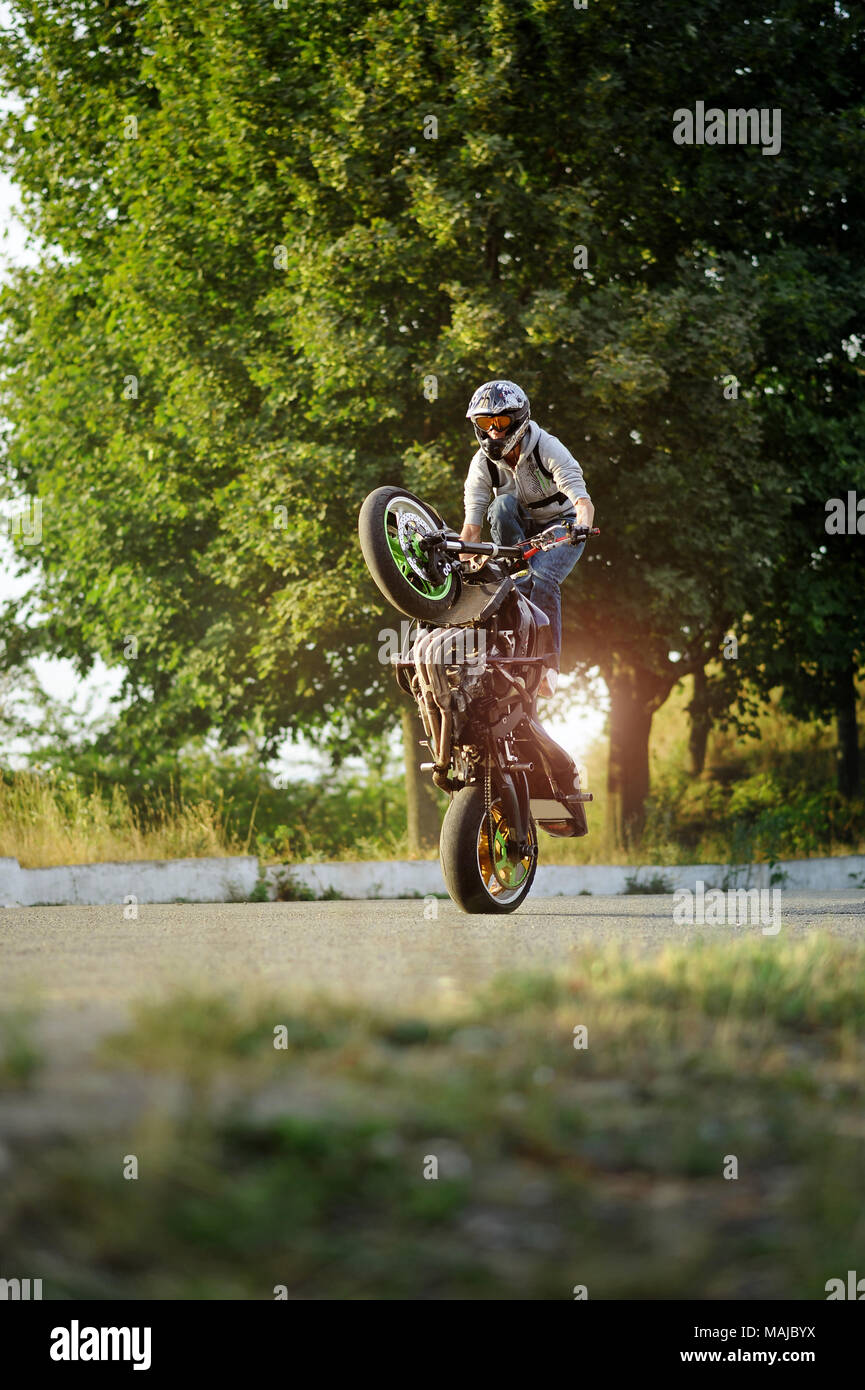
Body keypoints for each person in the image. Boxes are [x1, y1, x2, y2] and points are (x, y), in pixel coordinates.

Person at [459, 379, 594, 698]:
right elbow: (471, 528)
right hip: (519, 532)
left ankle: (548, 667)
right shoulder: (481, 464)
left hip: (563, 525)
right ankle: (504, 653)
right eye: (484, 423)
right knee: (503, 513)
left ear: (518, 420)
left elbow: (583, 503)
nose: (493, 431)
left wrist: (583, 526)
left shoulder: (546, 446)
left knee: (543, 577)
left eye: (501, 422)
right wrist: (460, 568)